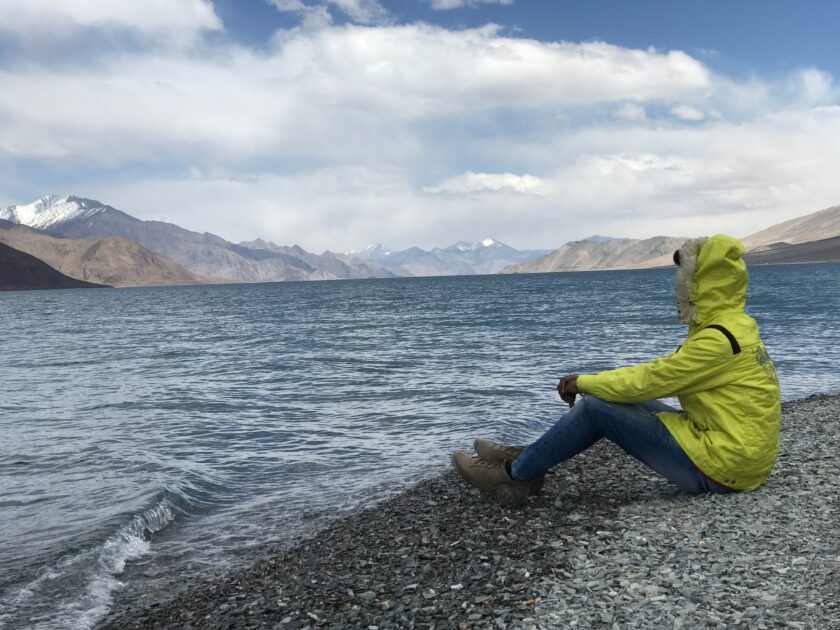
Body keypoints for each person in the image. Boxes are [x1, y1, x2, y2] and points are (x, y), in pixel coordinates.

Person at [452, 234, 782, 507]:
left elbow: (650, 380)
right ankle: (528, 456)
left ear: (702, 283)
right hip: (739, 457)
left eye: (688, 278)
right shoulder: (736, 327)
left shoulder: (718, 340)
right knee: (616, 399)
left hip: (723, 470)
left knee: (597, 408)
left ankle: (515, 476)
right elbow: (654, 379)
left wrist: (583, 382)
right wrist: (593, 383)